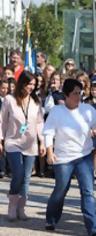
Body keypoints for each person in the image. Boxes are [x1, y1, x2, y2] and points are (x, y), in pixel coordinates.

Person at [43, 79, 96, 236]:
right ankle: (51, 218)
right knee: (61, 189)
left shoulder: (88, 109)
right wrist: (50, 152)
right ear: (67, 95)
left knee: (88, 192)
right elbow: (48, 132)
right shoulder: (57, 111)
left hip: (84, 156)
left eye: (80, 93)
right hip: (63, 158)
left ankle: (94, 228)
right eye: (75, 93)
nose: (78, 96)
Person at [0, 71, 46, 221]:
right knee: (18, 174)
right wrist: (0, 139)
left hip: (30, 144)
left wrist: (42, 142)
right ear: (22, 83)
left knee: (26, 178)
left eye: (34, 84)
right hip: (13, 142)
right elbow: (2, 121)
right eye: (29, 84)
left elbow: (40, 123)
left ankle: (21, 207)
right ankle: (12, 205)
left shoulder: (36, 101)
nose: (31, 87)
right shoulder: (9, 99)